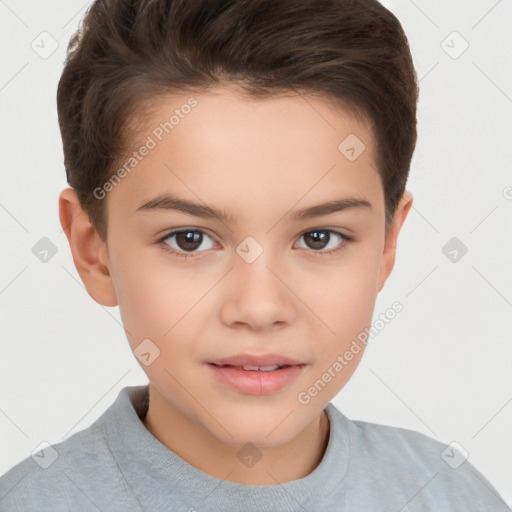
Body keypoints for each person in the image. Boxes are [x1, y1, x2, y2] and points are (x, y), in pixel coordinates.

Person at [0, 0, 508, 510]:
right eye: (189, 239)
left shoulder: (451, 494)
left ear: (386, 244)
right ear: (96, 253)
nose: (260, 308)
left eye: (319, 238)